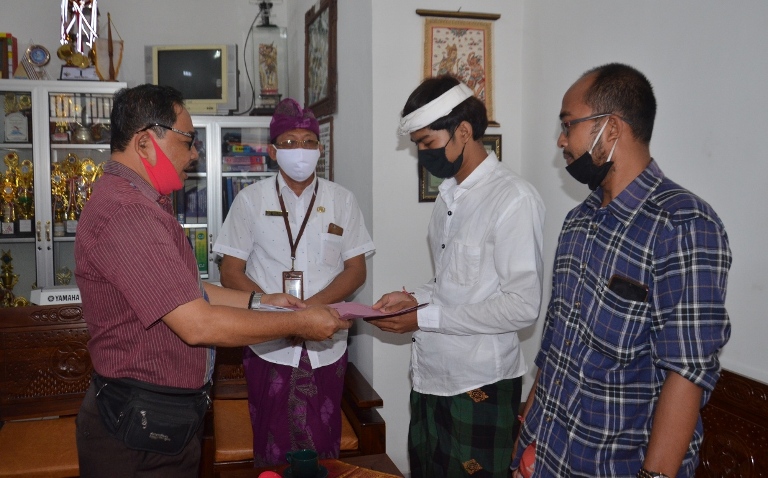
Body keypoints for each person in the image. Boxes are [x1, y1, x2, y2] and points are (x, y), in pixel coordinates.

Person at [74, 84, 351, 478]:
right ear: (145, 143)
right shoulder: (128, 213)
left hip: (157, 420)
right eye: (187, 141)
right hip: (139, 429)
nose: (194, 154)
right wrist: (299, 323)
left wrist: (262, 301)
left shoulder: (143, 203)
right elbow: (197, 324)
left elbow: (189, 290)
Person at [511, 63, 732, 478]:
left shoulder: (682, 226)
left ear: (610, 128)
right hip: (547, 457)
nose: (561, 140)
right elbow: (557, 342)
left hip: (613, 467)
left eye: (568, 124)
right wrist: (527, 435)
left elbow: (686, 374)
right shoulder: (579, 221)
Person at [369, 76, 546, 477]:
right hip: (431, 375)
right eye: (417, 145)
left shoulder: (513, 198)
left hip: (479, 383)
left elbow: (522, 307)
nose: (422, 154)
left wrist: (423, 317)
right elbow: (454, 283)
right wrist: (415, 299)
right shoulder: (448, 195)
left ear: (463, 131)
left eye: (427, 143)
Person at [213, 98, 374, 465]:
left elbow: (356, 270)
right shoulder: (250, 200)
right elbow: (231, 271)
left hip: (326, 343)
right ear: (272, 151)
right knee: (273, 447)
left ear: (320, 149)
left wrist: (310, 309)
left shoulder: (342, 201)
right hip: (267, 341)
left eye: (308, 141)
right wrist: (273, 306)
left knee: (323, 447)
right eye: (288, 142)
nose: (299, 150)